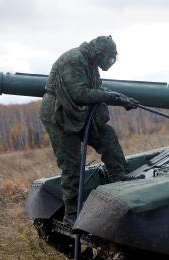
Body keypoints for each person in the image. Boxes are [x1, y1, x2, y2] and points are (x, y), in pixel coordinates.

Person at [39, 35, 139, 225]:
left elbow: (97, 87)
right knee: (72, 164)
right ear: (100, 54)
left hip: (77, 113)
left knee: (106, 135)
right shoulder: (74, 59)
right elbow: (80, 93)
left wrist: (121, 98)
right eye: (109, 58)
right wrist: (112, 97)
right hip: (59, 114)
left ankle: (118, 180)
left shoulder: (90, 63)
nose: (110, 62)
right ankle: (72, 215)